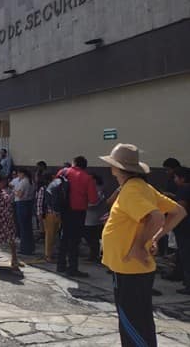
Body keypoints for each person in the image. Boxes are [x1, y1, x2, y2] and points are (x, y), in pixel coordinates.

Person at [100, 144, 186, 347]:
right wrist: (155, 237)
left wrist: (139, 245)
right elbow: (179, 212)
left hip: (129, 269)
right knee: (140, 321)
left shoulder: (132, 190)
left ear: (116, 168)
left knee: (133, 325)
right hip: (131, 268)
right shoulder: (142, 187)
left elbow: (156, 216)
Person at [56, 156, 98, 278]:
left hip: (63, 209)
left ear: (74, 163)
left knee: (64, 237)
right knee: (74, 241)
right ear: (85, 166)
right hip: (78, 212)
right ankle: (72, 268)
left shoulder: (63, 172)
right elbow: (93, 199)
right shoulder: (86, 177)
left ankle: (61, 265)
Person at [0, 175, 19, 269]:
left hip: (7, 217)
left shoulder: (3, 190)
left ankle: (14, 258)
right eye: (3, 182)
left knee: (11, 238)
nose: (4, 184)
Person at [83, 174, 109, 262]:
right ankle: (94, 254)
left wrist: (82, 204)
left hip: (96, 218)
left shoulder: (99, 190)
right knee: (91, 237)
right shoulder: (90, 189)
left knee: (94, 237)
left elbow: (95, 203)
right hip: (89, 218)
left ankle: (95, 255)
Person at [173, 166, 190, 295]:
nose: (174, 180)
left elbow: (181, 208)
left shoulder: (184, 189)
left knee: (186, 256)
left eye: (175, 177)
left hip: (185, 227)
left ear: (182, 178)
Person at [35, 172, 59, 262]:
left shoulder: (57, 188)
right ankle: (48, 255)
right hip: (49, 214)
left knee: (54, 235)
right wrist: (39, 213)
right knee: (49, 235)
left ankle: (51, 253)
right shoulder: (44, 189)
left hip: (56, 214)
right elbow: (40, 201)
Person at [14, 168, 35, 255]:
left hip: (22, 203)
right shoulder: (31, 181)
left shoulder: (23, 182)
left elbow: (19, 194)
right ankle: (30, 247)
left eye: (18, 174)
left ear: (22, 174)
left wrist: (14, 191)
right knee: (28, 227)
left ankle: (24, 248)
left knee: (23, 227)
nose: (18, 176)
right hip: (29, 203)